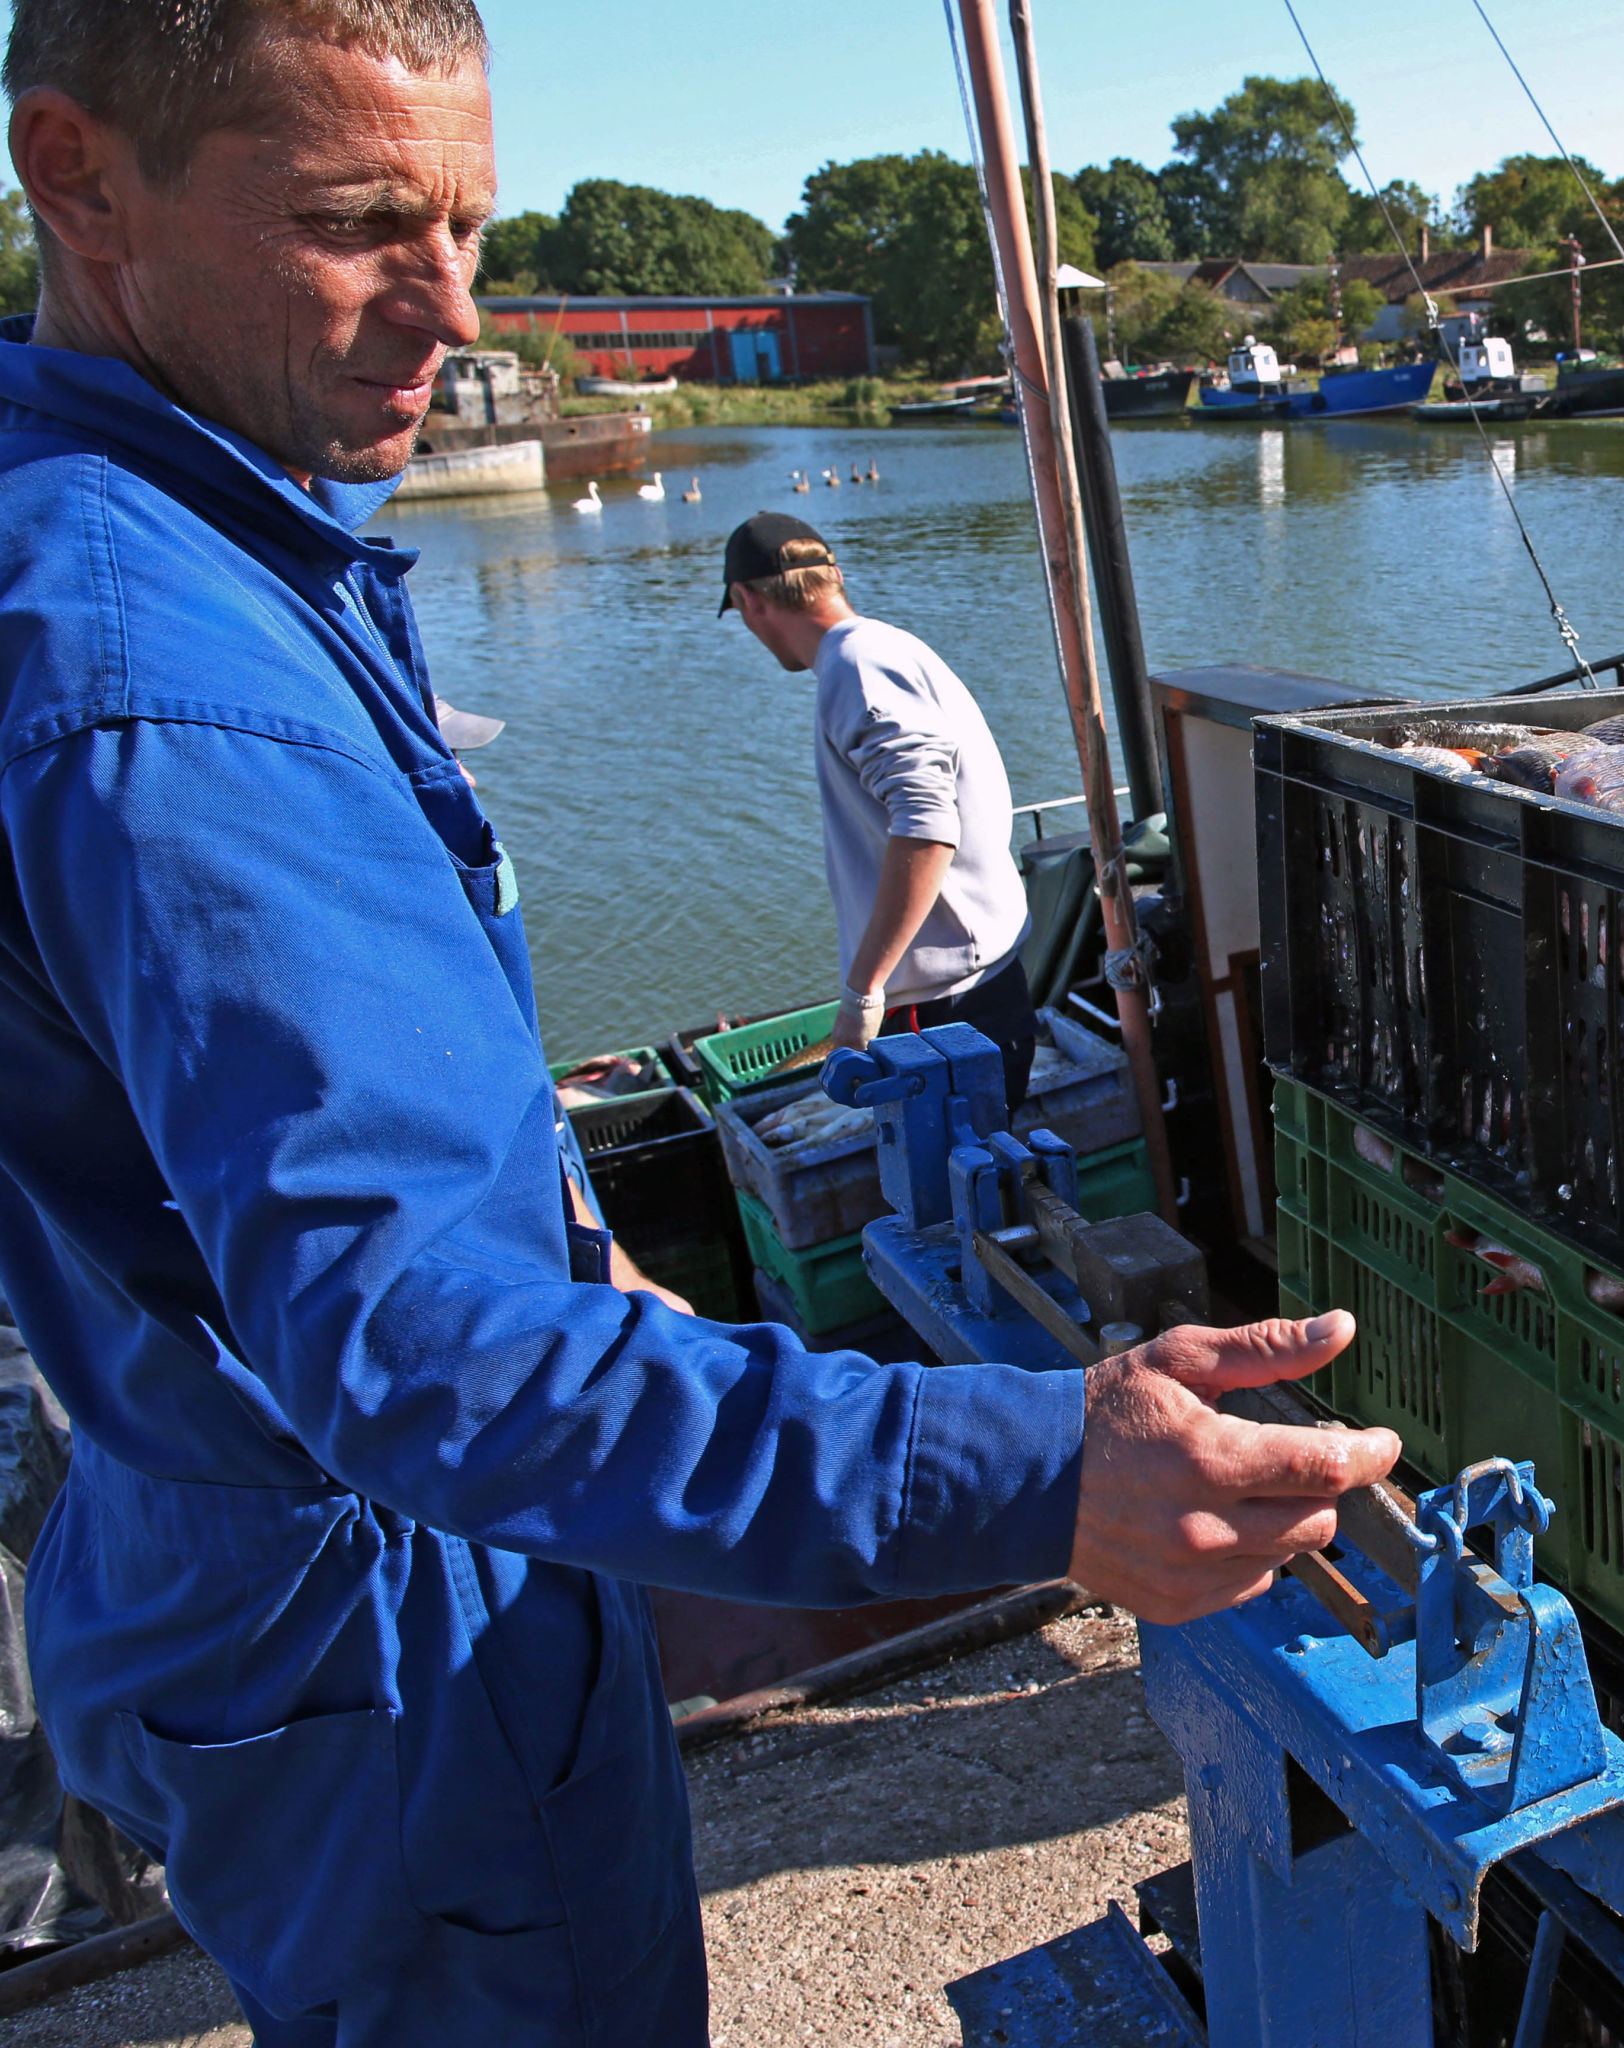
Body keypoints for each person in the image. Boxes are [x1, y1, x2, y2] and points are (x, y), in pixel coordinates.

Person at [0, 7, 1399, 2045]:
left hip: (230, 1551)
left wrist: (578, 1256)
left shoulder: (168, 527)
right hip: (394, 1630)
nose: (450, 309)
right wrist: (1039, 1466)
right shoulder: (169, 683)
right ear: (78, 173)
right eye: (356, 220)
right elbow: (417, 1352)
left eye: (468, 225)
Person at [719, 514, 1040, 1090]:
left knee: (950, 1177)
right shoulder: (884, 648)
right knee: (983, 1172)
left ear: (746, 598)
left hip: (946, 1012)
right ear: (833, 576)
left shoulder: (857, 666)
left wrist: (862, 995)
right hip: (974, 994)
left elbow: (927, 825)